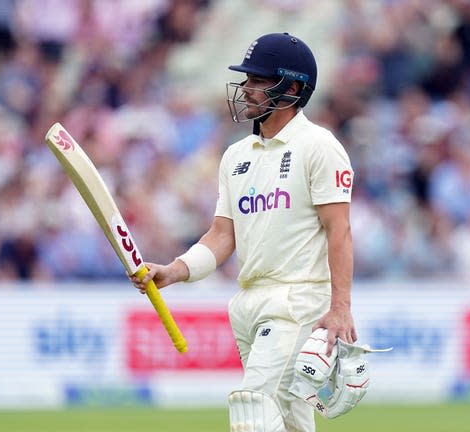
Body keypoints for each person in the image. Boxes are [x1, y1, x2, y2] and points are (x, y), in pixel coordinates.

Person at [131, 32, 357, 432]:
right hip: (249, 303)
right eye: (247, 79)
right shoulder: (236, 156)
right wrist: (175, 270)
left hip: (298, 298)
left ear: (291, 87)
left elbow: (338, 230)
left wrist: (340, 307)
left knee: (251, 407)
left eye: (258, 80)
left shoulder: (319, 145)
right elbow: (222, 235)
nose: (247, 89)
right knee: (289, 422)